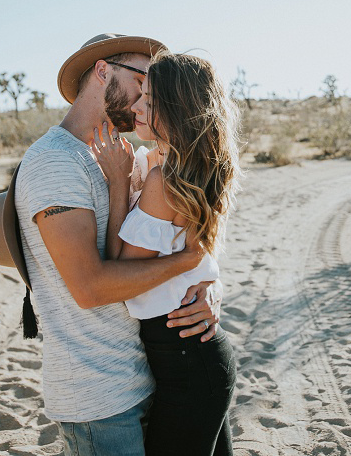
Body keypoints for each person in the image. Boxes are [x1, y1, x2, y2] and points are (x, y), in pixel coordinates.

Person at [14, 34, 222, 456]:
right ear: (102, 71)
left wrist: (205, 291)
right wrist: (187, 263)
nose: (148, 95)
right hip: (100, 396)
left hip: (149, 374)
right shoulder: (56, 162)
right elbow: (90, 288)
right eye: (142, 78)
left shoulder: (120, 155)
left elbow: (172, 234)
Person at [92, 51, 239, 456]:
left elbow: (120, 271)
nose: (137, 105)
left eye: (150, 101)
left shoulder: (163, 179)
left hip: (188, 367)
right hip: (196, 360)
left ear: (176, 109)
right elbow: (195, 257)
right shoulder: (179, 164)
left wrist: (119, 184)